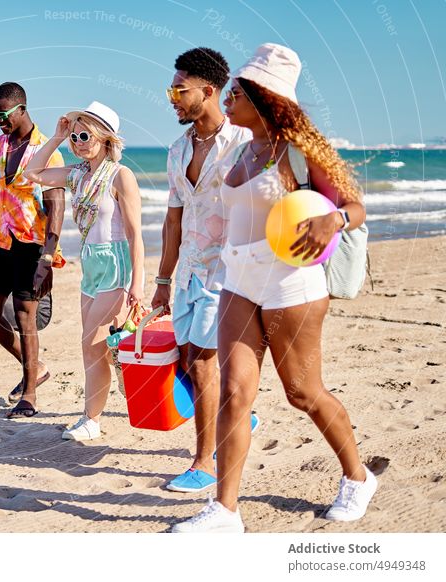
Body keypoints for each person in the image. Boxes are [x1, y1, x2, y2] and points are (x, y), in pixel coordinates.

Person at [172, 44, 375, 533]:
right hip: (237, 281)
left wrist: (335, 220)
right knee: (235, 394)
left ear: (264, 99)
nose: (229, 100)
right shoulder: (242, 149)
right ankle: (224, 512)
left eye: (237, 93)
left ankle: (357, 476)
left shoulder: (300, 151)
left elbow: (355, 207)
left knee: (302, 392)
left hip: (291, 285)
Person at [152, 47, 259, 493]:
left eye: (179, 90)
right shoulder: (178, 151)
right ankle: (239, 415)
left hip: (228, 272)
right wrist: (161, 279)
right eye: (171, 90)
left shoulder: (242, 143)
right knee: (191, 359)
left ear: (208, 91)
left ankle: (204, 463)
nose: (172, 98)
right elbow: (174, 218)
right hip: (189, 274)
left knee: (204, 364)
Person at [24, 101, 144, 440]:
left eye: (84, 134)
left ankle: (91, 420)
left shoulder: (122, 176)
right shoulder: (77, 174)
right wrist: (57, 138)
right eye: (74, 135)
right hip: (90, 266)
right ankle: (118, 375)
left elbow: (136, 234)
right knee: (99, 347)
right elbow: (32, 174)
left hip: (116, 265)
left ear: (105, 138)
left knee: (90, 343)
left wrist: (139, 283)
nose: (78, 141)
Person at [0, 82, 66, 419]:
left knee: (26, 318)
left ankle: (29, 395)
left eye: (3, 114)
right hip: (0, 241)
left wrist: (48, 257)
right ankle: (36, 368)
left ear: (22, 109)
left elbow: (56, 206)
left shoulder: (46, 149)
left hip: (31, 245)